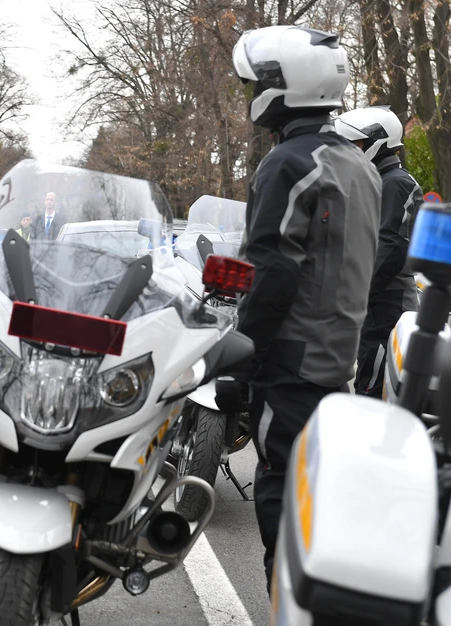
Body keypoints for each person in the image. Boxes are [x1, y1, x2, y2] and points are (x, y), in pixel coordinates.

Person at [218, 25, 382, 590]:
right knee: (316, 494)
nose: (251, 95)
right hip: (336, 359)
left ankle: (285, 602)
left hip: (291, 362)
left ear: (286, 84)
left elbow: (273, 273)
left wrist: (239, 362)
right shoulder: (357, 163)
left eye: (256, 83)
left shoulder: (289, 163)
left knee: (281, 487)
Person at [334, 106, 423, 399]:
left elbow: (390, 246)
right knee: (368, 378)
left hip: (389, 303)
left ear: (378, 143)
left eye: (356, 145)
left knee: (374, 388)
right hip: (376, 300)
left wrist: (352, 294)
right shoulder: (376, 182)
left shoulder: (396, 183)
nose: (350, 152)